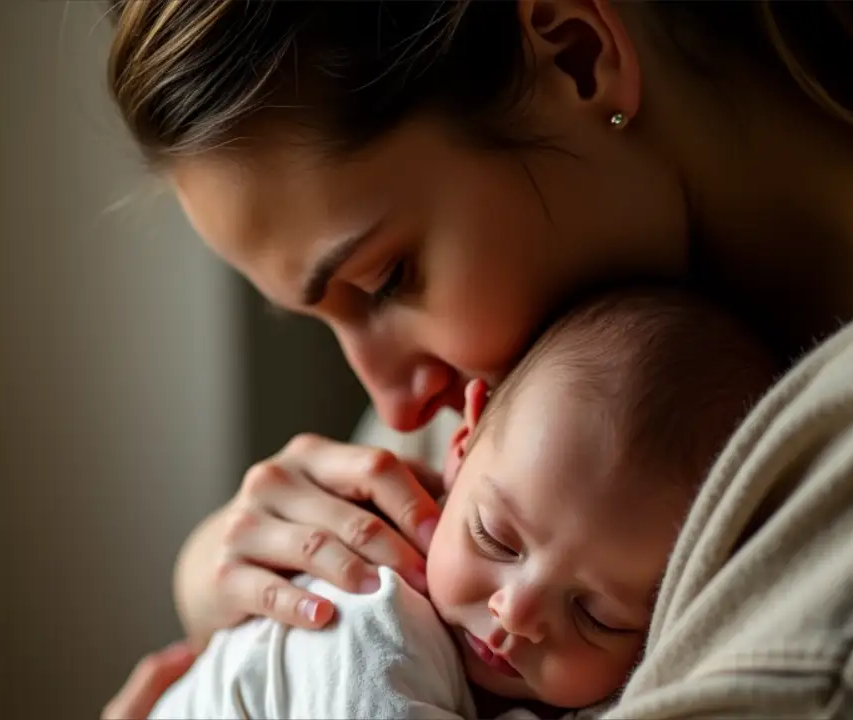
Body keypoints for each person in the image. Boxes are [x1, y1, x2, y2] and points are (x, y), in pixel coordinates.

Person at [100, 0, 853, 717]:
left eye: (389, 277)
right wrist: (226, 590)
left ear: (574, 54)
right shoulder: (556, 345)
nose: (397, 406)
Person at [145, 289, 776, 720]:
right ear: (463, 446)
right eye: (496, 539)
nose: (517, 610)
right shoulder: (374, 621)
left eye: (599, 617)